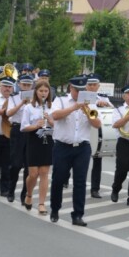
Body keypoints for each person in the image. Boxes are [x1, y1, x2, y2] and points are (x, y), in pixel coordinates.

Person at [49, 75, 101, 226]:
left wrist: (86, 111)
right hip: (62, 146)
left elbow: (97, 124)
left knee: (80, 182)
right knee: (58, 179)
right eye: (76, 90)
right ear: (70, 88)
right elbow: (55, 115)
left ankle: (77, 215)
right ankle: (55, 209)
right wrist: (73, 107)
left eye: (82, 90)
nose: (79, 93)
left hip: (82, 147)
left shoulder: (91, 103)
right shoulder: (60, 101)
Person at [21, 81, 55, 215]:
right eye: (41, 91)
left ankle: (41, 203)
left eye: (46, 91)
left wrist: (50, 121)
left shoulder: (52, 107)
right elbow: (23, 127)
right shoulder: (29, 107)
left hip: (48, 138)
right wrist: (36, 125)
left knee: (44, 173)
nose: (43, 94)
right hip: (34, 139)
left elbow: (58, 126)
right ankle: (29, 194)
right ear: (36, 92)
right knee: (33, 173)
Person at [85, 73, 113, 199]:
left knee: (97, 160)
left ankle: (95, 189)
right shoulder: (81, 97)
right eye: (89, 84)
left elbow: (113, 111)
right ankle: (66, 180)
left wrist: (106, 104)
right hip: (83, 132)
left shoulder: (104, 98)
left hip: (98, 132)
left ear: (98, 86)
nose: (91, 87)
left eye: (94, 85)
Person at [7, 74, 33, 202]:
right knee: (16, 164)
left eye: (29, 85)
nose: (26, 87)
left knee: (29, 167)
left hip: (31, 131)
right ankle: (11, 190)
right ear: (19, 84)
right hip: (17, 130)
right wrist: (22, 103)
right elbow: (8, 113)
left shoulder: (36, 99)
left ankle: (25, 194)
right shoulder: (14, 98)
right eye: (24, 84)